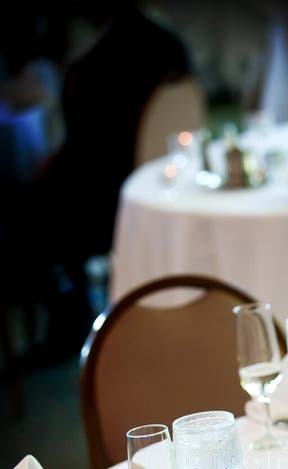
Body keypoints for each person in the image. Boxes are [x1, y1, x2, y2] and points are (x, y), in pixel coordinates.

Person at [4, 0, 192, 363]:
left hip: (106, 200)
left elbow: (83, 148)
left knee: (23, 207)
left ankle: (65, 320)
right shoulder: (168, 42)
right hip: (160, 185)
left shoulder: (94, 63)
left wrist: (50, 167)